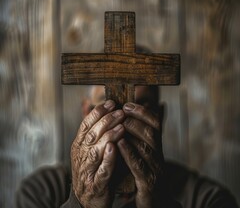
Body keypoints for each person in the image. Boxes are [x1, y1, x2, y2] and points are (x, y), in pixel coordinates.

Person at [15, 85, 238, 208]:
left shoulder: (205, 198)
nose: (121, 118)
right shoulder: (42, 192)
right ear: (87, 113)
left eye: (138, 105)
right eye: (109, 104)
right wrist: (81, 204)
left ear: (159, 115)